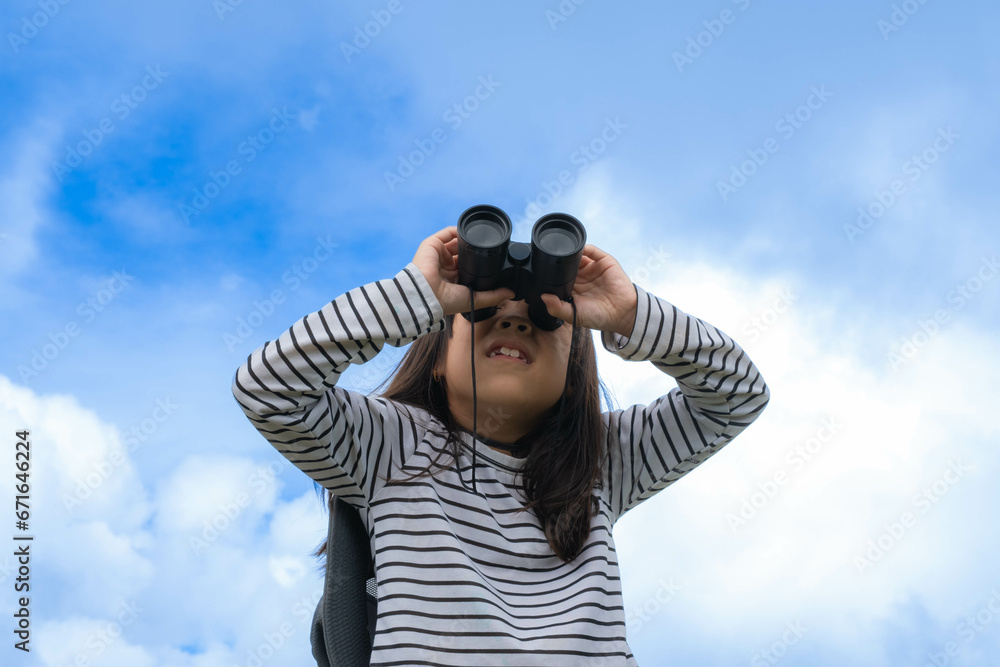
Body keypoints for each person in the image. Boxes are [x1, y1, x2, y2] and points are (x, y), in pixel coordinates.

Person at [231, 224, 770, 665]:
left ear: (575, 366)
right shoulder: (390, 446)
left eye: (545, 317)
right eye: (482, 313)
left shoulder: (604, 462)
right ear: (437, 357)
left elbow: (739, 395)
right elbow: (267, 388)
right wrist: (415, 296)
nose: (514, 317)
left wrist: (630, 313)